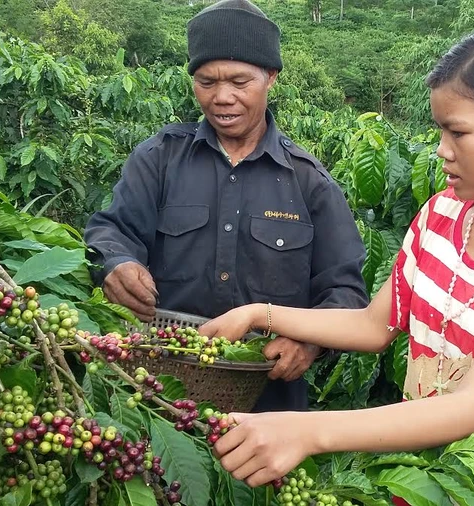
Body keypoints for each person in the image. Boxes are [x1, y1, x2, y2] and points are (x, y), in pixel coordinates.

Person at [199, 20, 474, 505]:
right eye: (439, 130)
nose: (442, 150)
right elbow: (374, 325)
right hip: (419, 482)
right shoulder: (441, 216)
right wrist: (259, 315)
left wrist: (308, 431)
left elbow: (472, 407)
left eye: (458, 132)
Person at [83, 0, 369, 413]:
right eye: (206, 81)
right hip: (157, 393)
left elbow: (345, 292)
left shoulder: (309, 182)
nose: (222, 98)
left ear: (271, 77)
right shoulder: (159, 159)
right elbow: (112, 231)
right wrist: (115, 263)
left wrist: (310, 341)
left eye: (240, 81)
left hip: (266, 403)